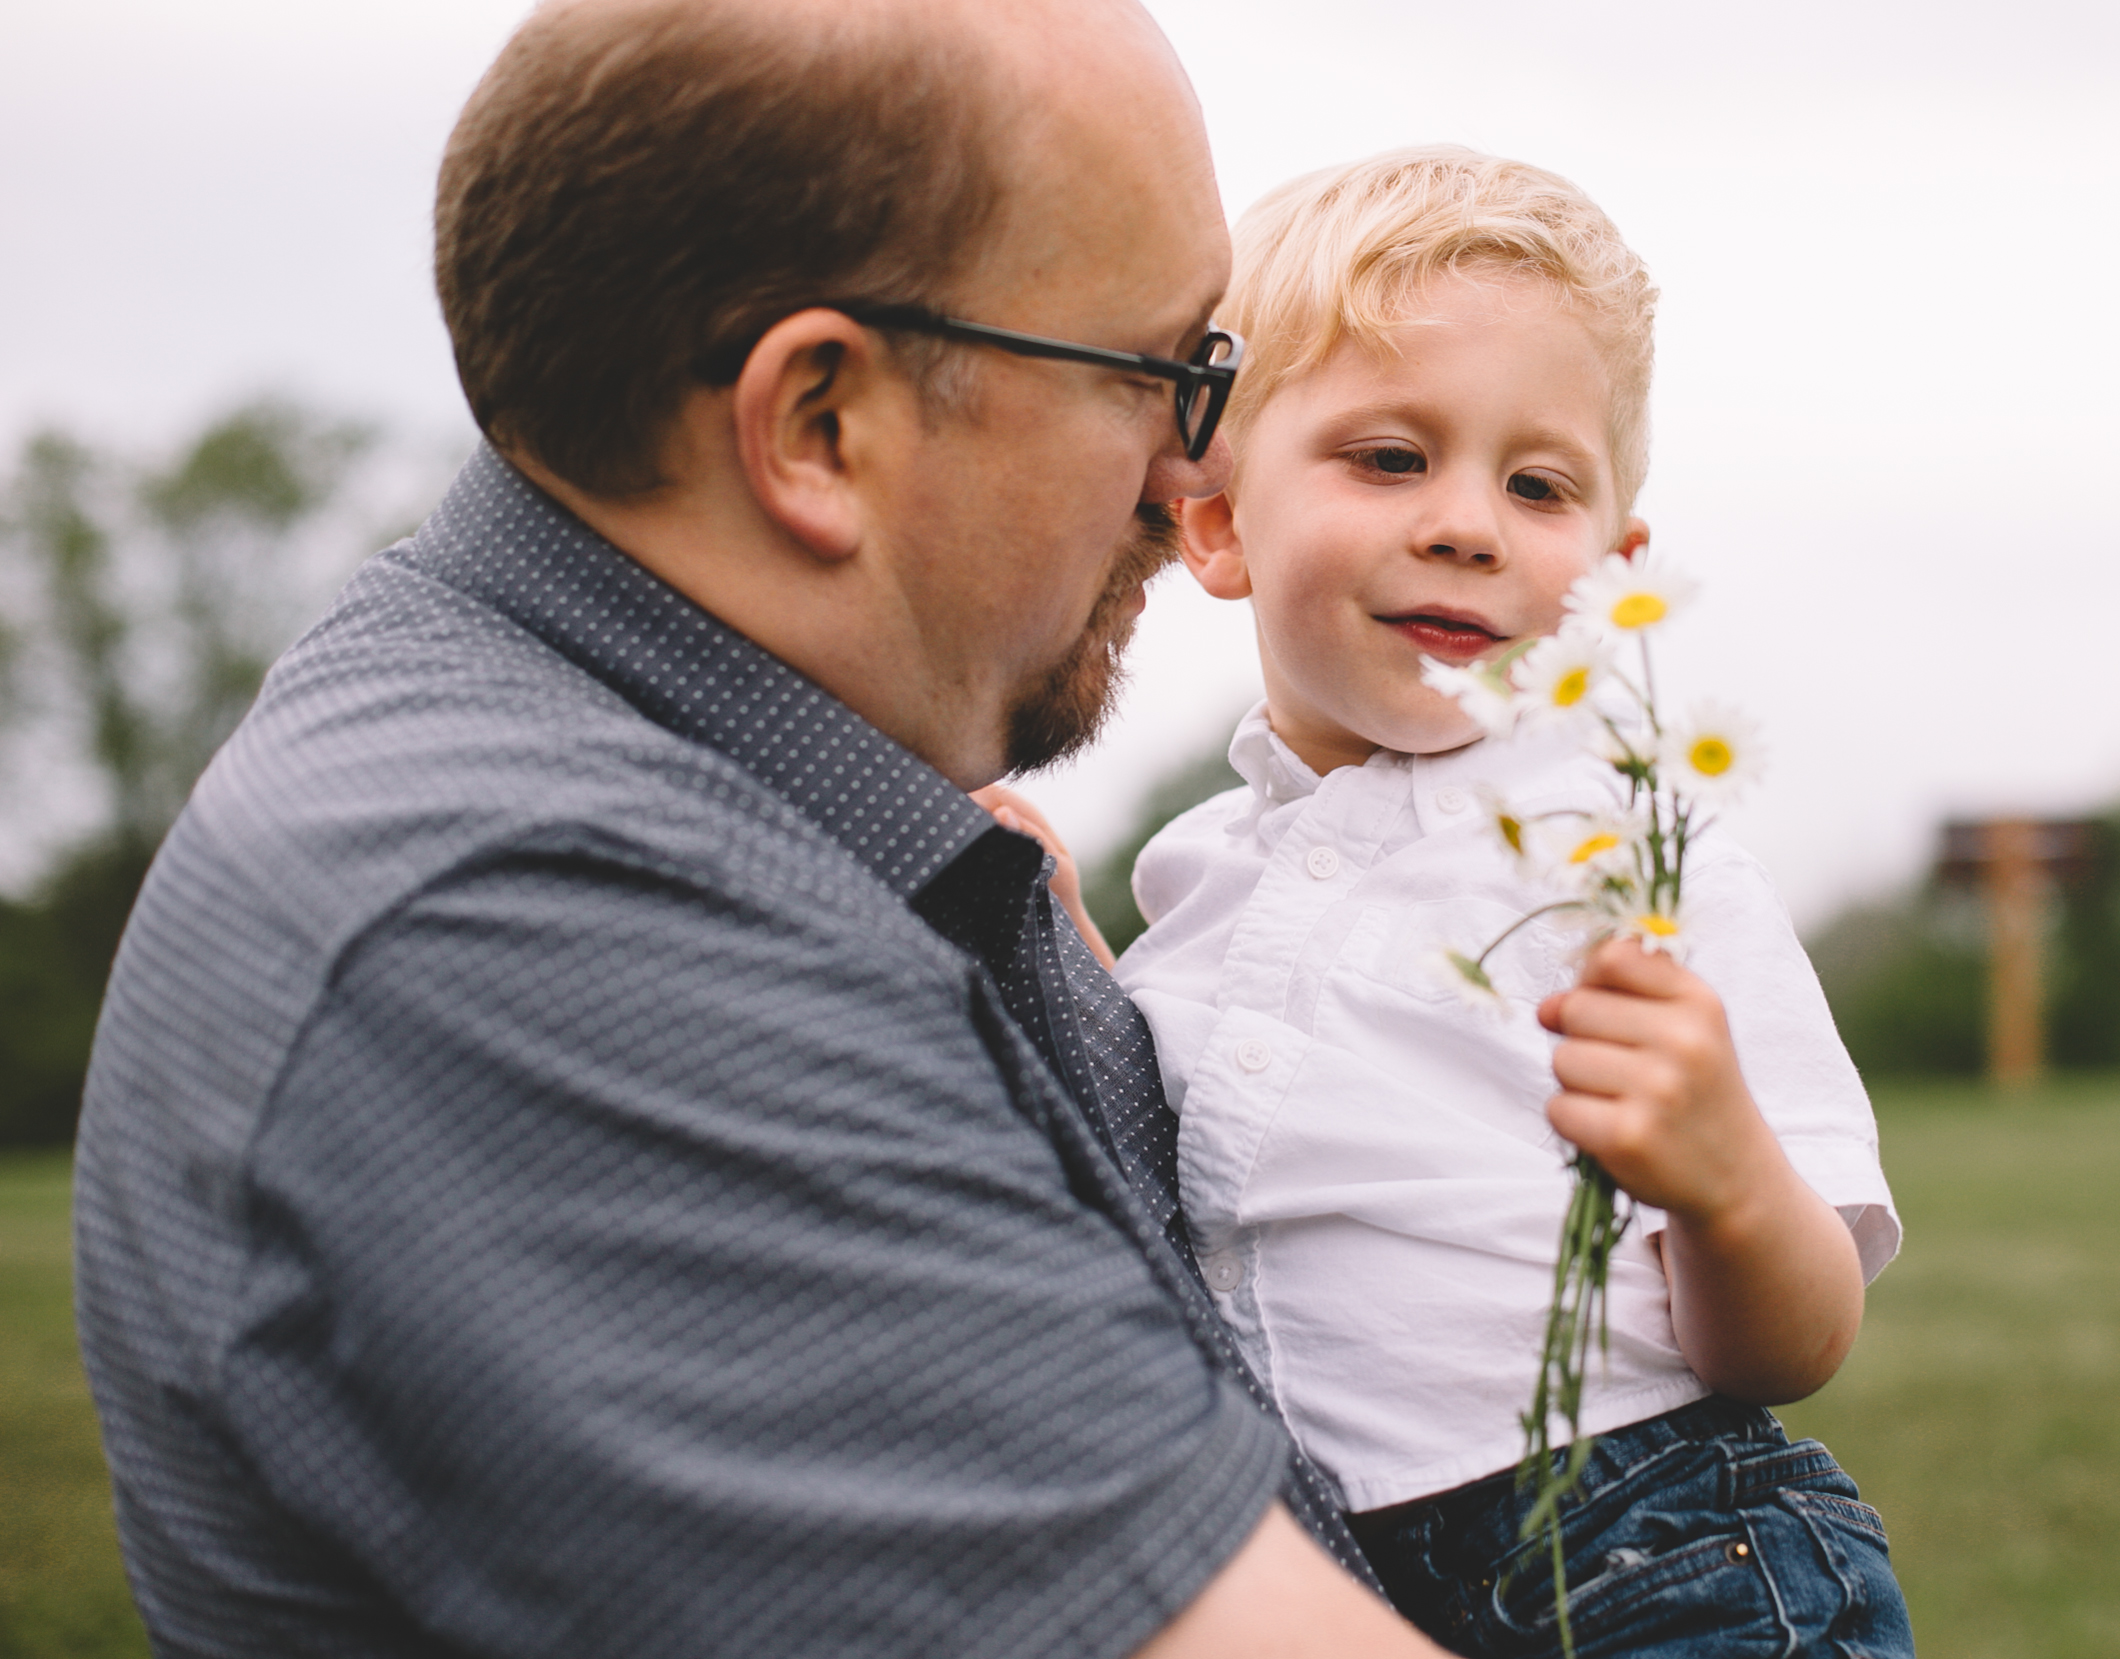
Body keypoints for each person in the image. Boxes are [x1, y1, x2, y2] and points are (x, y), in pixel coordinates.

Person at [71, 2, 1458, 1653]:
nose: (1193, 474)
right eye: (1164, 374)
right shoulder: (535, 936)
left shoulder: (681, 795)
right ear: (818, 426)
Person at [1093, 148, 1915, 1657]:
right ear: (1212, 521)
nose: (1468, 521)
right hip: (1330, 1579)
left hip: (1653, 1552)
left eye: (1538, 486)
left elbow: (1802, 1345)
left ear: (1613, 576)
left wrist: (1725, 1180)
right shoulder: (1194, 881)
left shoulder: (1640, 873)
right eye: (1391, 459)